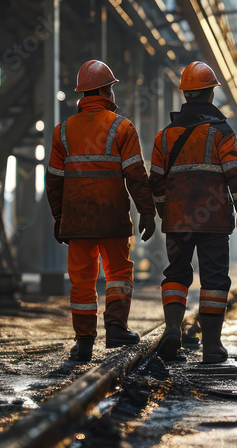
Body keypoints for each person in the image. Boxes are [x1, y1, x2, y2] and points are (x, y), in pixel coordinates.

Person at [46, 60, 157, 363]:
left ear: (83, 93)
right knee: (118, 274)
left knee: (81, 280)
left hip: (77, 219)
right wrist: (147, 211)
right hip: (112, 217)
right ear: (107, 89)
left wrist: (59, 217)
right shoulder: (122, 126)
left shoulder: (63, 131)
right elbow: (136, 175)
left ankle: (84, 342)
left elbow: (54, 181)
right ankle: (116, 328)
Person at [150, 61, 237, 363]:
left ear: (185, 95)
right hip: (214, 220)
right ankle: (211, 347)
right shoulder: (222, 133)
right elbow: (236, 174)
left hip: (178, 220)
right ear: (211, 94)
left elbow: (155, 181)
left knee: (176, 273)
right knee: (214, 279)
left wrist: (163, 212)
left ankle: (173, 328)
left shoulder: (164, 137)